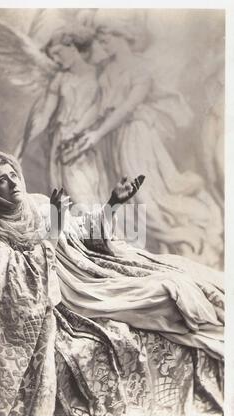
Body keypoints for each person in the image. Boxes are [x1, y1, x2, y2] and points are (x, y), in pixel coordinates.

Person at [0, 151, 224, 416]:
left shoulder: (38, 204)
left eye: (13, 175)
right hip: (70, 293)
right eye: (1, 181)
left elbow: (85, 232)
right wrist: (55, 223)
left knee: (182, 279)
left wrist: (113, 202)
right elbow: (26, 277)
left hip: (90, 268)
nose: (12, 183)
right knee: (164, 294)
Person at [74, 14, 223, 267]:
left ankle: (182, 243)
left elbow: (125, 109)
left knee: (148, 198)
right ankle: (142, 253)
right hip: (113, 140)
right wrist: (80, 132)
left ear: (121, 35)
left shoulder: (140, 69)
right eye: (99, 38)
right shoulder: (108, 70)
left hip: (136, 140)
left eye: (105, 37)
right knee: (123, 200)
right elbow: (100, 108)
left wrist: (95, 134)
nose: (101, 43)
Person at [15, 26, 109, 206]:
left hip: (84, 140)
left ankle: (96, 232)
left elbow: (99, 109)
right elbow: (44, 116)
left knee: (84, 190)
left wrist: (75, 132)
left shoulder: (100, 73)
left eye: (58, 53)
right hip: (60, 140)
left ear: (72, 47)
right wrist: (22, 146)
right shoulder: (60, 79)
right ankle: (62, 233)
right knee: (60, 191)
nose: (56, 60)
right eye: (53, 56)